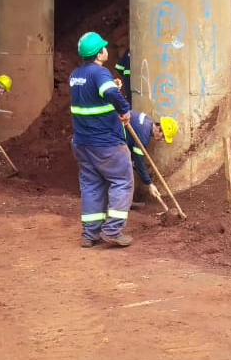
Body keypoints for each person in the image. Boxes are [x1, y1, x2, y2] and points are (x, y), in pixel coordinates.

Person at [69, 31, 134, 248]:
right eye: (104, 48)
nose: (107, 50)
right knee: (122, 181)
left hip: (82, 141)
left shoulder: (76, 75)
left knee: (91, 185)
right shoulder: (100, 73)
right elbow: (110, 95)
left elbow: (96, 95)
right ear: (99, 53)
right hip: (105, 142)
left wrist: (111, 86)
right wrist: (124, 110)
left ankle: (89, 234)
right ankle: (113, 230)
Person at [124, 109, 177, 208]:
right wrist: (149, 183)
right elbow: (138, 160)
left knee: (128, 164)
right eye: (163, 136)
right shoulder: (144, 134)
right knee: (125, 169)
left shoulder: (147, 120)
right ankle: (124, 203)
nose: (162, 139)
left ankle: (126, 201)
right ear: (159, 128)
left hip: (117, 137)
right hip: (110, 139)